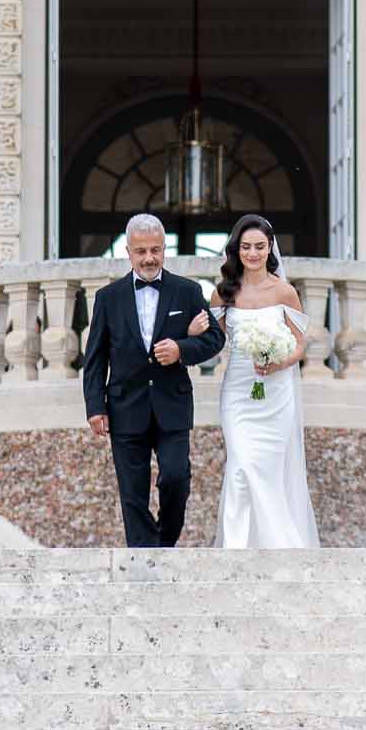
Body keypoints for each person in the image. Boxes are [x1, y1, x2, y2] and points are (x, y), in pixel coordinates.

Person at [81, 212, 226, 548]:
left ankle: (164, 543)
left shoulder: (188, 292)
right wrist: (94, 406)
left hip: (171, 404)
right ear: (128, 252)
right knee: (132, 494)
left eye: (156, 250)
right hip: (123, 406)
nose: (149, 258)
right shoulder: (108, 297)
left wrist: (181, 348)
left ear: (164, 250)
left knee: (176, 478)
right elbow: (95, 357)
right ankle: (142, 560)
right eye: (141, 251)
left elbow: (214, 339)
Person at [188, 213, 319, 549]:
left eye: (259, 246)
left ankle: (279, 546)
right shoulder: (223, 293)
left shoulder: (285, 292)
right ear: (236, 249)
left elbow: (300, 344)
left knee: (270, 470)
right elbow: (213, 343)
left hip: (276, 393)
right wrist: (193, 333)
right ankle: (236, 547)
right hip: (238, 392)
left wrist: (279, 363)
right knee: (241, 468)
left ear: (270, 247)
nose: (253, 253)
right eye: (246, 246)